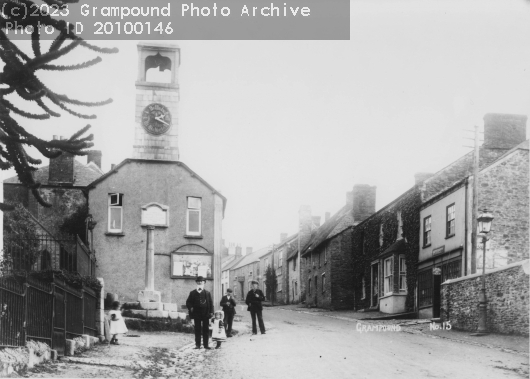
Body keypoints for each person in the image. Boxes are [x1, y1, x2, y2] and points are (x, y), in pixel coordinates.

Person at [186, 276, 214, 349]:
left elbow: (211, 303)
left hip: (205, 313)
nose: (200, 282)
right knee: (197, 329)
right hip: (196, 313)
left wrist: (211, 312)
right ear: (196, 282)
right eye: (198, 281)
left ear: (204, 282)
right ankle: (197, 345)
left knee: (206, 329)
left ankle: (206, 345)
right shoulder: (192, 293)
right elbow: (188, 302)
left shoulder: (207, 293)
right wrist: (191, 307)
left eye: (201, 281)